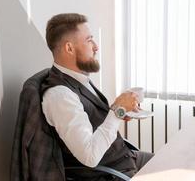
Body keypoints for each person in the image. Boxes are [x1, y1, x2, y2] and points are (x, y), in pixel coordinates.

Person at [41, 13, 153, 180]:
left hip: (124, 158)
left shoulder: (78, 78)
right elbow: (90, 156)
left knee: (176, 161)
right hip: (112, 173)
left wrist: (121, 112)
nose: (96, 46)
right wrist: (118, 110)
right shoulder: (60, 96)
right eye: (89, 40)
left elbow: (92, 121)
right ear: (69, 48)